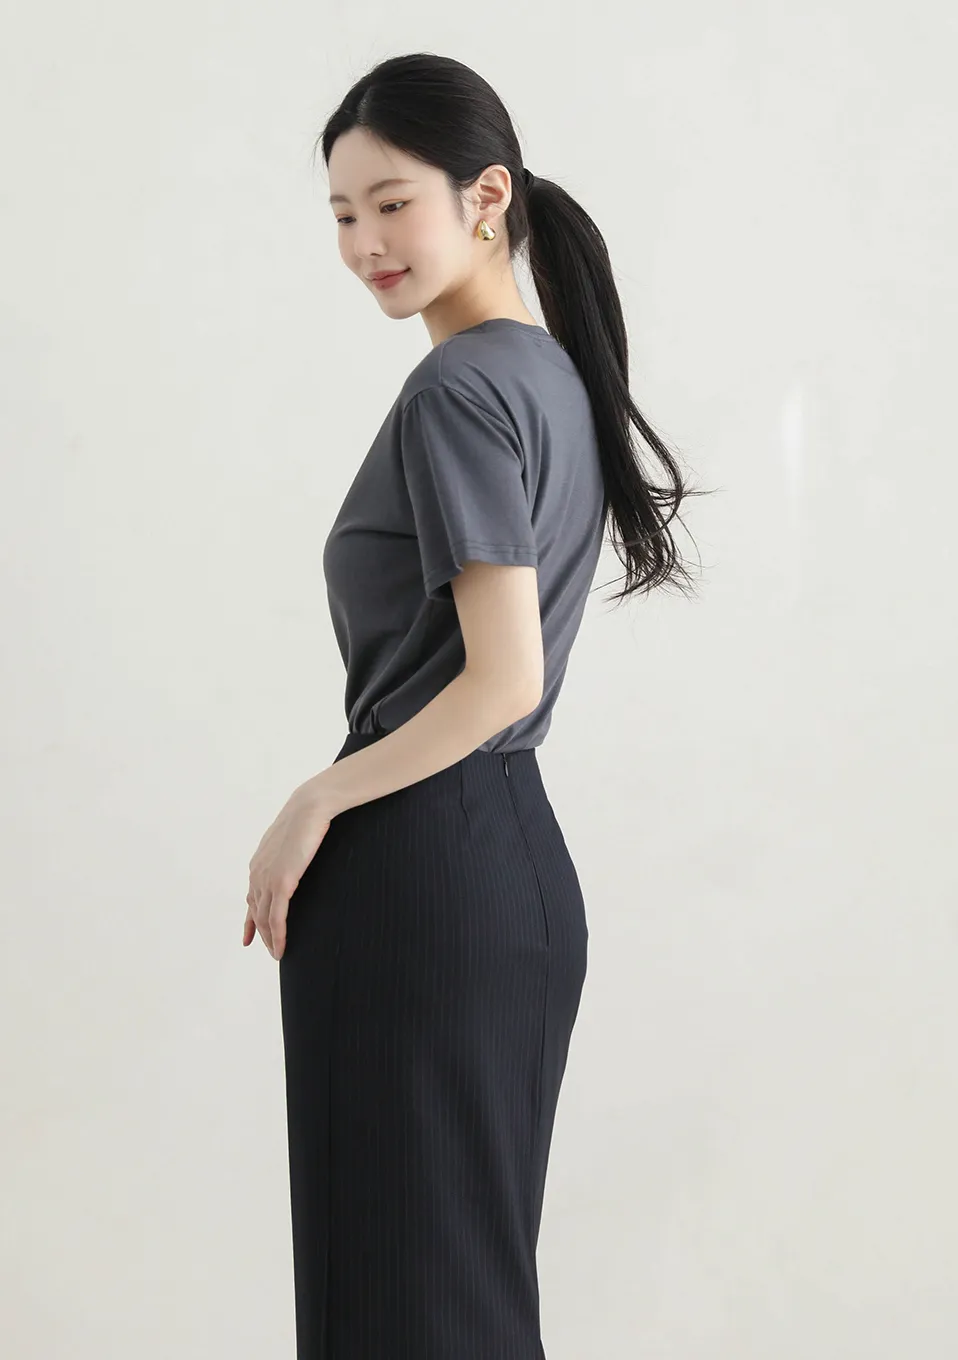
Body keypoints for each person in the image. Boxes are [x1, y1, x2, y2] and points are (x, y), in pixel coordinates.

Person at [243, 51, 706, 1360]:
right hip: (506, 866)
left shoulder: (457, 389)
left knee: (399, 1310)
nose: (365, 244)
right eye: (344, 214)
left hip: (418, 872)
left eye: (393, 204)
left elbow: (504, 677)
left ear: (486, 196)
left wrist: (317, 797)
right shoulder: (545, 373)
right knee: (458, 1299)